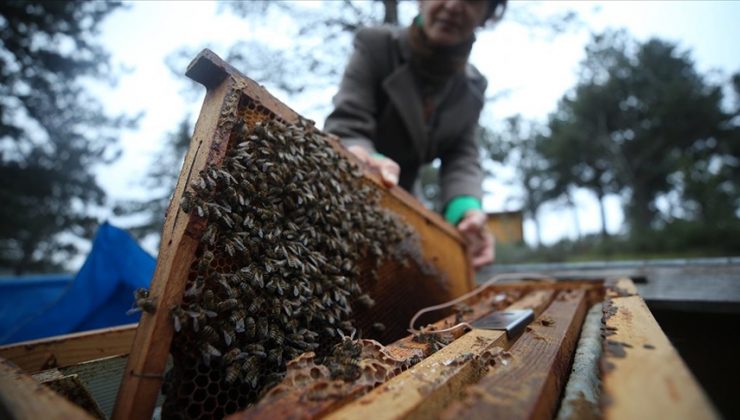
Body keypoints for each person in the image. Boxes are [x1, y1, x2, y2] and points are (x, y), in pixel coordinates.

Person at [324, 0, 506, 269]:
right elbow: (348, 126)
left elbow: (461, 155)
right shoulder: (376, 45)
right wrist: (361, 159)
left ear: (487, 14)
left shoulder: (473, 87)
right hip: (346, 202)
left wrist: (466, 211)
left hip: (406, 209)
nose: (454, 5)